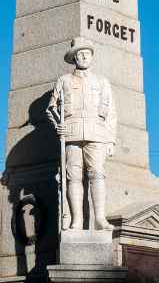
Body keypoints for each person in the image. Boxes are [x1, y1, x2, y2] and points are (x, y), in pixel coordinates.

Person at [47, 37, 117, 230]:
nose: (84, 57)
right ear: (74, 58)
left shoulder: (102, 82)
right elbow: (51, 108)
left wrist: (111, 140)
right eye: (80, 54)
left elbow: (111, 113)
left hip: (96, 133)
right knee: (73, 176)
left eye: (87, 53)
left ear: (92, 57)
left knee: (98, 174)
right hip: (71, 131)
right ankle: (76, 219)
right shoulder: (64, 81)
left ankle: (100, 218)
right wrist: (57, 125)